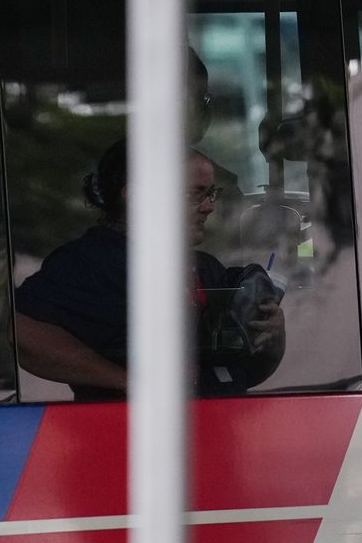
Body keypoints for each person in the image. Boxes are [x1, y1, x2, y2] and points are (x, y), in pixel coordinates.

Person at [14, 140, 286, 400]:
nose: (209, 206)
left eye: (211, 193)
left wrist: (270, 337)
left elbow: (243, 373)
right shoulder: (90, 263)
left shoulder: (204, 266)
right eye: (195, 194)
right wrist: (129, 382)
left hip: (219, 430)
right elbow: (21, 333)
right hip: (133, 438)